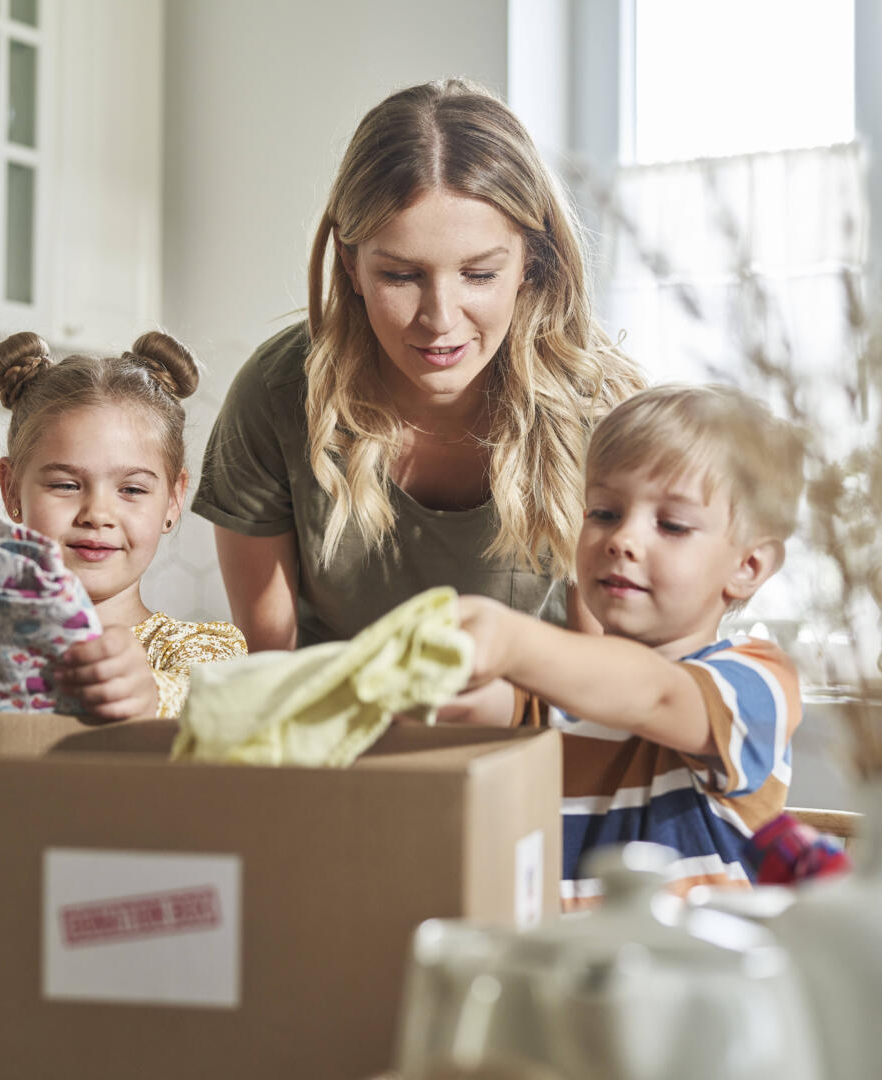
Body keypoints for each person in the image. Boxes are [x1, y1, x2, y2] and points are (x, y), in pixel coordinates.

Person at [193, 79, 645, 681]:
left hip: (540, 744)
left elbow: (610, 681)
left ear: (530, 263)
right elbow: (268, 666)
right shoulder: (275, 397)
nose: (440, 319)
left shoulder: (600, 410)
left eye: (479, 274)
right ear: (352, 265)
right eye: (402, 275)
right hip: (339, 750)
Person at [453, 384, 807, 906]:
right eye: (604, 513)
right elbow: (469, 709)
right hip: (563, 978)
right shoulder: (554, 698)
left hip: (689, 981)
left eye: (672, 524)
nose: (622, 540)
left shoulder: (756, 681)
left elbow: (656, 694)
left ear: (747, 566)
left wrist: (510, 638)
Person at [0, 331, 246, 720]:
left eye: (131, 489)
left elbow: (219, 710)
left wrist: (150, 695)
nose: (96, 514)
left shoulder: (203, 649)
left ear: (173, 499)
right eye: (65, 485)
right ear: (11, 489)